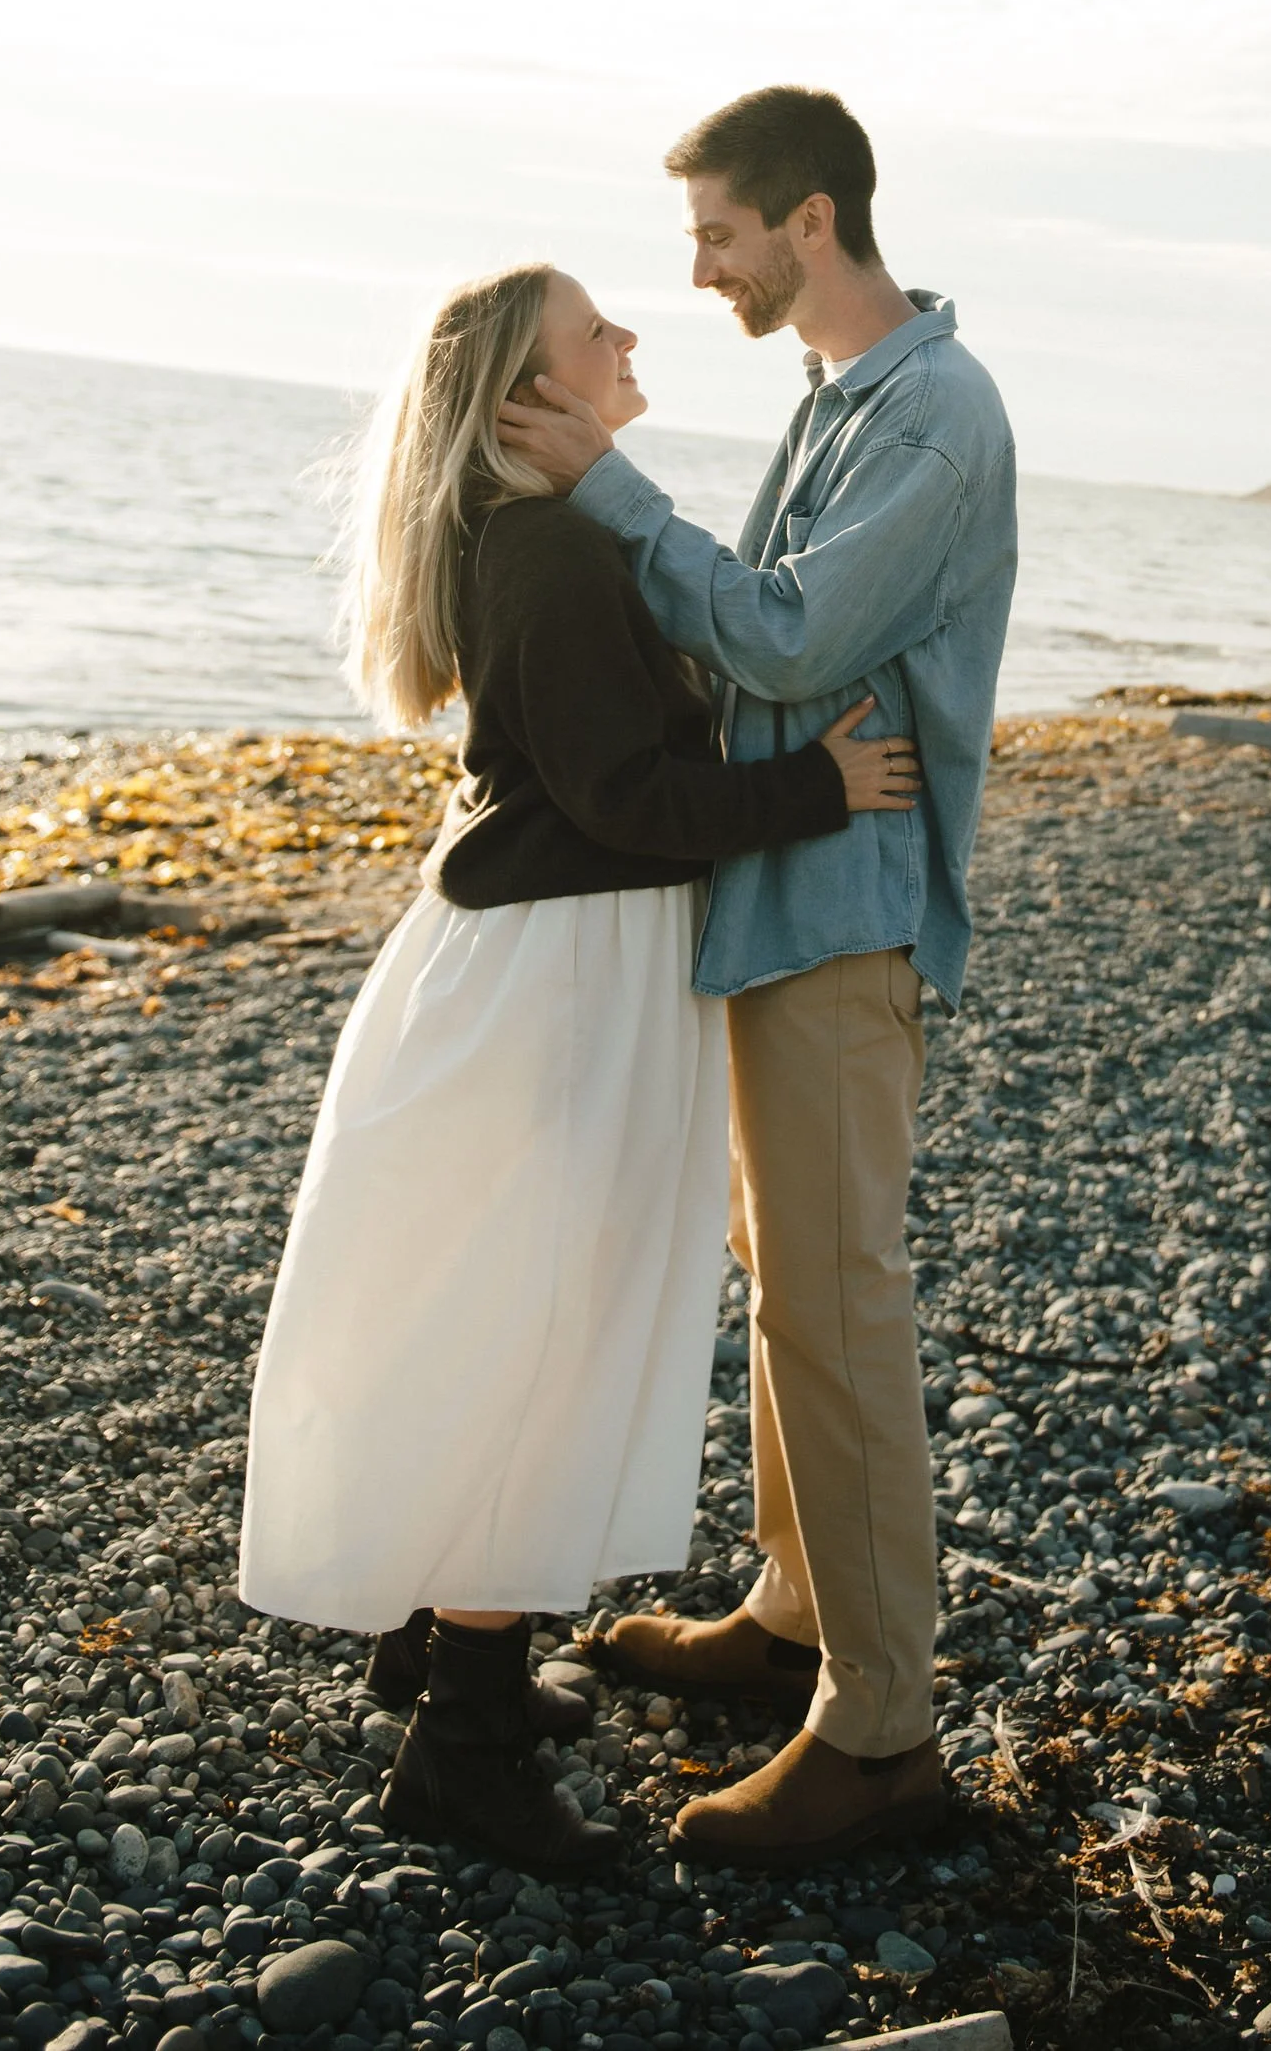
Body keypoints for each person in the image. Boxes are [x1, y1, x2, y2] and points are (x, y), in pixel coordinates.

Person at [237, 259, 919, 1880]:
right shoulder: (544, 547)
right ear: (521, 400)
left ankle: (436, 1640)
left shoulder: (544, 532)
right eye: (592, 336)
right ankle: (460, 1741)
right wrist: (820, 786)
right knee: (549, 1319)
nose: (627, 342)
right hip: (562, 966)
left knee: (506, 1295)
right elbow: (624, 794)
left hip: (546, 956)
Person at [497, 86, 1016, 1870]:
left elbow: (789, 631)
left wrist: (607, 491)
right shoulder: (845, 399)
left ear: (810, 220)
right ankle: (798, 1609)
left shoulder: (931, 417)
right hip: (782, 891)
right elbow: (769, 657)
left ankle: (882, 1727)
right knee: (790, 1284)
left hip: (842, 909)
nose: (699, 266)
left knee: (839, 1305)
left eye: (718, 233)